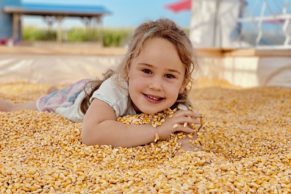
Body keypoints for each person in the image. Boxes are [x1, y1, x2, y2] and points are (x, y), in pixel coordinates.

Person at [0, 18, 201, 148]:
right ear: (128, 68)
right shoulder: (116, 89)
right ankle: (25, 100)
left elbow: (186, 137)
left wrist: (188, 146)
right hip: (79, 97)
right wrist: (158, 131)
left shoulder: (177, 102)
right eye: (147, 71)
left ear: (184, 82)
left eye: (170, 76)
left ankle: (56, 89)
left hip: (94, 89)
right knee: (44, 104)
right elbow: (92, 133)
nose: (156, 85)